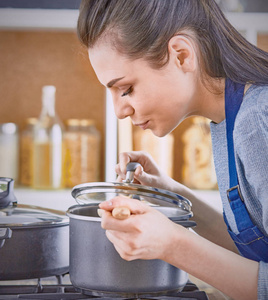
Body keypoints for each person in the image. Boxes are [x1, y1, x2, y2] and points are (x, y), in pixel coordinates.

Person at [77, 0, 268, 299]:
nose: (119, 111)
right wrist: (172, 194)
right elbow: (252, 252)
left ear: (181, 55)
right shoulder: (226, 120)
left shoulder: (256, 119)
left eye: (126, 89)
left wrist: (172, 244)